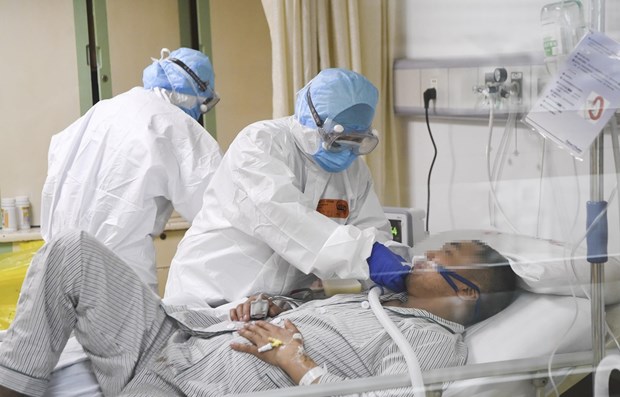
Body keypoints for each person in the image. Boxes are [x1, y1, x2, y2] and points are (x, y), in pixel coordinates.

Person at [0, 230, 517, 397]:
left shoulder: (432, 344)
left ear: (465, 291)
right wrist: (279, 306)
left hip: (196, 390)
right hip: (177, 343)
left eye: (442, 255)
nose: (422, 254)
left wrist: (296, 362)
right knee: (71, 249)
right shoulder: (377, 300)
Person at [164, 68, 412, 307]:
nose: (348, 152)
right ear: (313, 121)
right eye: (338, 140)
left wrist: (399, 261)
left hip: (275, 306)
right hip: (211, 293)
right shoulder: (260, 143)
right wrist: (368, 255)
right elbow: (287, 218)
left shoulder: (355, 172)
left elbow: (371, 230)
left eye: (357, 141)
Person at [40, 47, 223, 291]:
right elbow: (217, 207)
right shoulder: (173, 124)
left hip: (56, 270)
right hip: (119, 277)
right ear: (195, 94)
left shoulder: (99, 112)